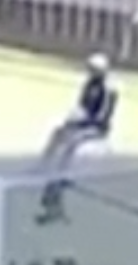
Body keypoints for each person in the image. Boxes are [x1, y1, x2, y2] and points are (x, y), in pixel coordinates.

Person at [36, 54, 118, 225]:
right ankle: (43, 167)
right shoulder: (89, 84)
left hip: (96, 128)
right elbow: (82, 106)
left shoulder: (108, 89)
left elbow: (102, 117)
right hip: (83, 123)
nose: (90, 72)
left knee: (71, 144)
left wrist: (79, 123)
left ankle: (59, 182)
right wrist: (71, 119)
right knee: (57, 133)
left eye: (93, 69)